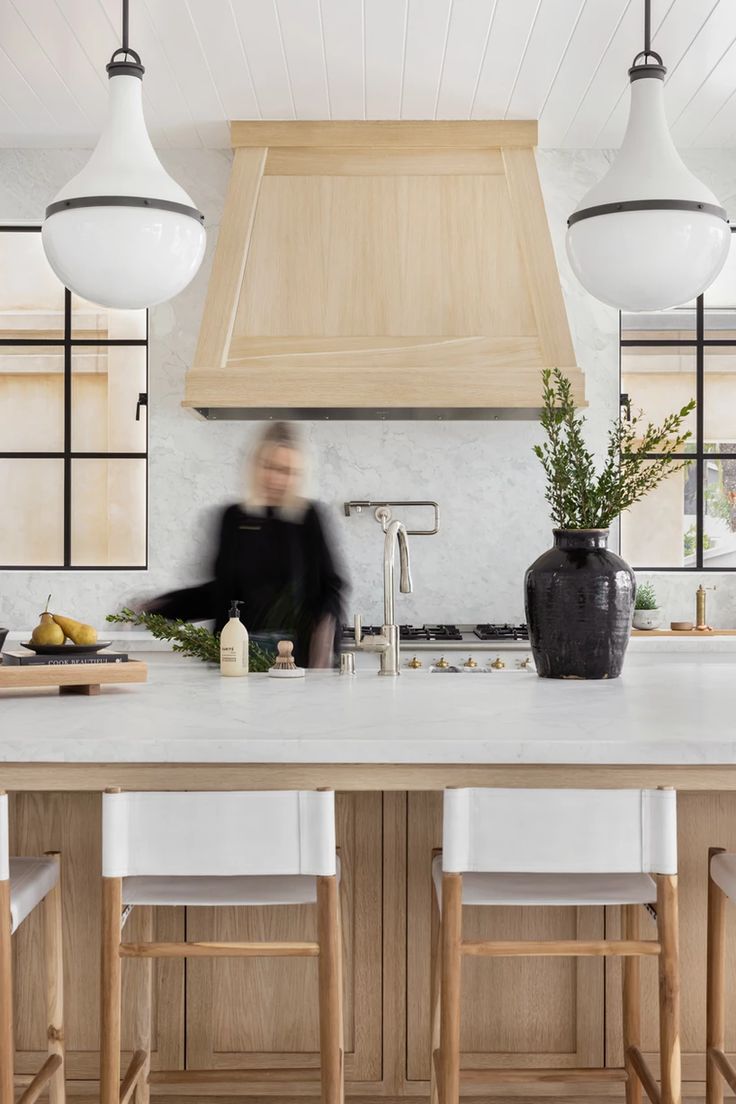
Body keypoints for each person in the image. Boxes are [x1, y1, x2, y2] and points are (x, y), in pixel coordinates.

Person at [145, 422, 345, 668]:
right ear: (255, 465)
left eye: (286, 470)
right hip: (235, 659)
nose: (275, 478)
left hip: (295, 663)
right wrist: (160, 607)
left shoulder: (308, 518)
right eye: (269, 466)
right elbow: (220, 594)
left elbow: (330, 590)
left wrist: (324, 635)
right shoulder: (234, 518)